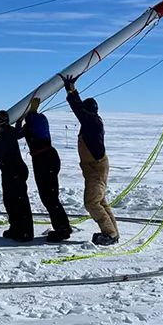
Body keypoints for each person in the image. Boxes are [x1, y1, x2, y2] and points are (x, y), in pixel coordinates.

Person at [60, 73, 119, 245]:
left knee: (92, 203)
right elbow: (81, 111)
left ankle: (109, 234)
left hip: (96, 169)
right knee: (99, 201)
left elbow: (79, 110)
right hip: (94, 168)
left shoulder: (92, 122)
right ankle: (113, 233)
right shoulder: (92, 122)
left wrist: (71, 91)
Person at [20, 96, 74, 242]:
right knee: (49, 196)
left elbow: (20, 133)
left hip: (44, 161)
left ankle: (62, 229)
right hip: (47, 159)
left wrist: (24, 118)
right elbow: (20, 133)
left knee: (49, 197)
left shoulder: (36, 122)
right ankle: (62, 227)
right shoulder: (39, 121)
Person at [0, 109, 34, 242]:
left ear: (2, 124)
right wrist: (19, 123)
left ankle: (25, 232)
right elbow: (18, 133)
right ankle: (15, 228)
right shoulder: (7, 133)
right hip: (10, 172)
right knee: (10, 201)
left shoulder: (6, 135)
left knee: (19, 202)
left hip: (15, 172)